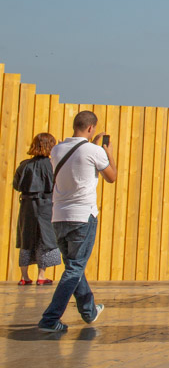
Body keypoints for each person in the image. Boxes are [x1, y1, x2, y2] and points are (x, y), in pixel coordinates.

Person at [37, 112, 117, 334]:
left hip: (58, 216)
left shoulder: (57, 149)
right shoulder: (94, 151)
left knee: (74, 266)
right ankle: (50, 318)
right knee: (74, 268)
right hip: (83, 217)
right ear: (91, 128)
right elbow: (112, 177)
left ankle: (89, 311)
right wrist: (108, 153)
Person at [13, 133, 61, 287]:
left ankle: (24, 276)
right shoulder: (53, 165)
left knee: (26, 238)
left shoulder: (24, 165)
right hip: (46, 205)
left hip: (27, 205)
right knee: (45, 238)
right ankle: (41, 276)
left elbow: (16, 185)